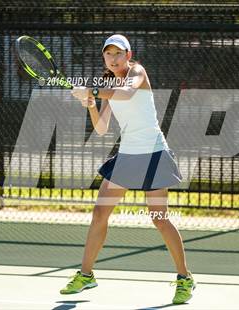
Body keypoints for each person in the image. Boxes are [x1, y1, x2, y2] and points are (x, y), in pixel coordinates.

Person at [60, 34, 195, 304]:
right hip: (127, 155)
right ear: (104, 59)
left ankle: (184, 278)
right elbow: (101, 129)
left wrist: (92, 91)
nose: (114, 58)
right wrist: (90, 106)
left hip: (153, 153)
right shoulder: (108, 83)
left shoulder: (137, 72)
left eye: (118, 54)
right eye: (108, 54)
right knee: (100, 213)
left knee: (158, 217)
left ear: (128, 55)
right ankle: (86, 275)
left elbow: (128, 93)